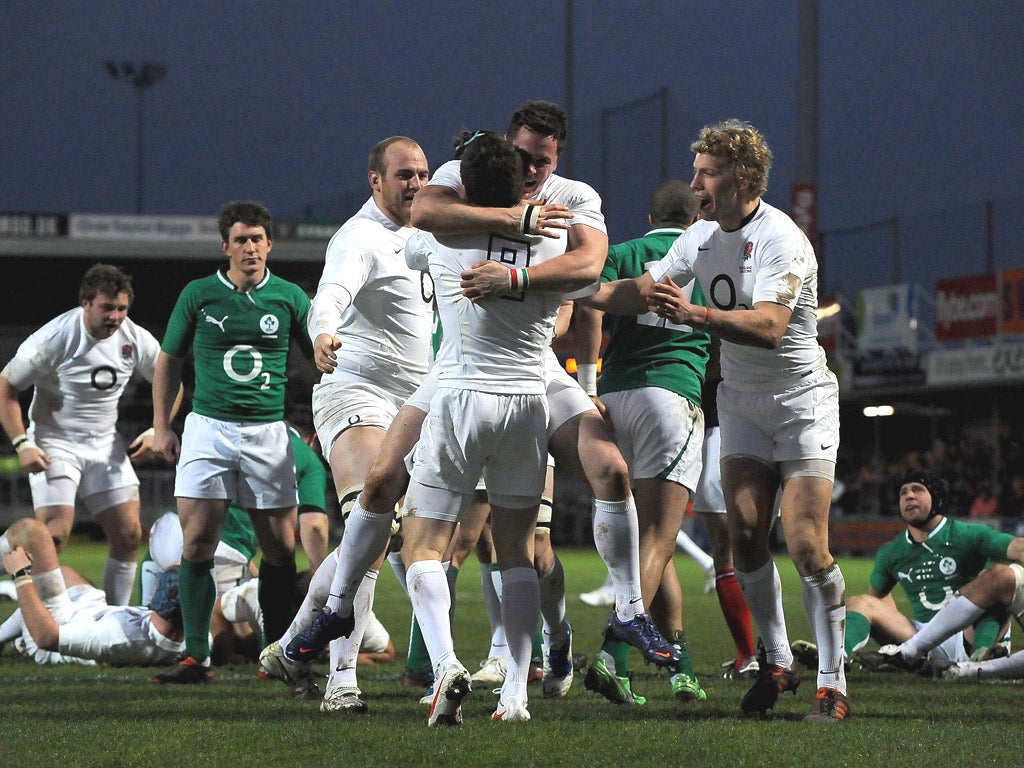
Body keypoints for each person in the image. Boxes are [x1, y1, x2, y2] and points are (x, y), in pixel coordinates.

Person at [285, 105, 680, 708]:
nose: (531, 169)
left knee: (420, 531)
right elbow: (593, 281)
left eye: (541, 161)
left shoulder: (447, 237)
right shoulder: (552, 231)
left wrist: (507, 268)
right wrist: (544, 251)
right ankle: (514, 686)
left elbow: (424, 222)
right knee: (497, 538)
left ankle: (384, 631)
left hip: (465, 390)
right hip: (517, 401)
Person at [581, 120, 848, 722]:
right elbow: (642, 290)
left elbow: (772, 327)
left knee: (807, 545)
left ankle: (833, 682)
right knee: (745, 535)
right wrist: (576, 290)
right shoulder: (699, 237)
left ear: (742, 179)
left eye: (707, 172)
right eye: (697, 171)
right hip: (741, 401)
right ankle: (778, 661)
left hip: (801, 400)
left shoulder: (782, 237)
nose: (696, 182)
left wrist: (696, 313)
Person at [260, 136, 433, 714]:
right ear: (375, 181)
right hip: (354, 388)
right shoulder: (359, 237)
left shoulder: (429, 236)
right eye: (404, 174)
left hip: (415, 403)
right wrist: (322, 332)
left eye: (422, 173)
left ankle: (288, 646)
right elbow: (329, 294)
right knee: (372, 518)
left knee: (380, 540)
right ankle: (341, 682)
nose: (415, 183)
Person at [150, 200, 313, 684]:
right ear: (226, 246)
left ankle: (276, 656)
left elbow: (322, 357)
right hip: (208, 428)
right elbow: (167, 362)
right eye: (241, 239)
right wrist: (162, 426)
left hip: (268, 432)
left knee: (281, 549)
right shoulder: (199, 294)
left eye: (258, 238)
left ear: (270, 244)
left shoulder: (289, 297)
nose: (250, 247)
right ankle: (196, 657)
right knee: (197, 543)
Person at [574, 179, 710, 705]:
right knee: (658, 537)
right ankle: (614, 655)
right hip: (669, 397)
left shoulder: (627, 251)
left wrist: (588, 386)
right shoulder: (706, 253)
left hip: (614, 398)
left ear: (651, 216)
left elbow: (589, 304)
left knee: (654, 543)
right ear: (697, 215)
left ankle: (681, 667)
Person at [0, 263, 182, 606]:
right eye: (107, 308)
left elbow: (171, 380)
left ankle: (114, 618)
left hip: (103, 444)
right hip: (54, 441)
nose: (116, 316)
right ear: (85, 303)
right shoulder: (55, 338)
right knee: (52, 537)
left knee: (129, 534)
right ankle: (39, 620)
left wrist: (159, 429)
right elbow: (6, 385)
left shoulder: (134, 338)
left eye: (122, 308)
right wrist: (22, 443)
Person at [839, 470, 1024, 673]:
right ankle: (838, 657)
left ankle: (981, 654)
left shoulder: (967, 534)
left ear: (936, 498)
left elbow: (1017, 548)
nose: (909, 495)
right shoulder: (891, 551)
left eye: (917, 489)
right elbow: (878, 598)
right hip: (921, 637)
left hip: (969, 634)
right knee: (861, 602)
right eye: (903, 493)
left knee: (1002, 575)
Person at [0, 516, 183, 666]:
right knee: (65, 574)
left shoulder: (118, 638)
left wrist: (20, 574)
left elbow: (47, 638)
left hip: (58, 628)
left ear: (164, 596)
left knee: (32, 532)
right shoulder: (190, 635)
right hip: (95, 612)